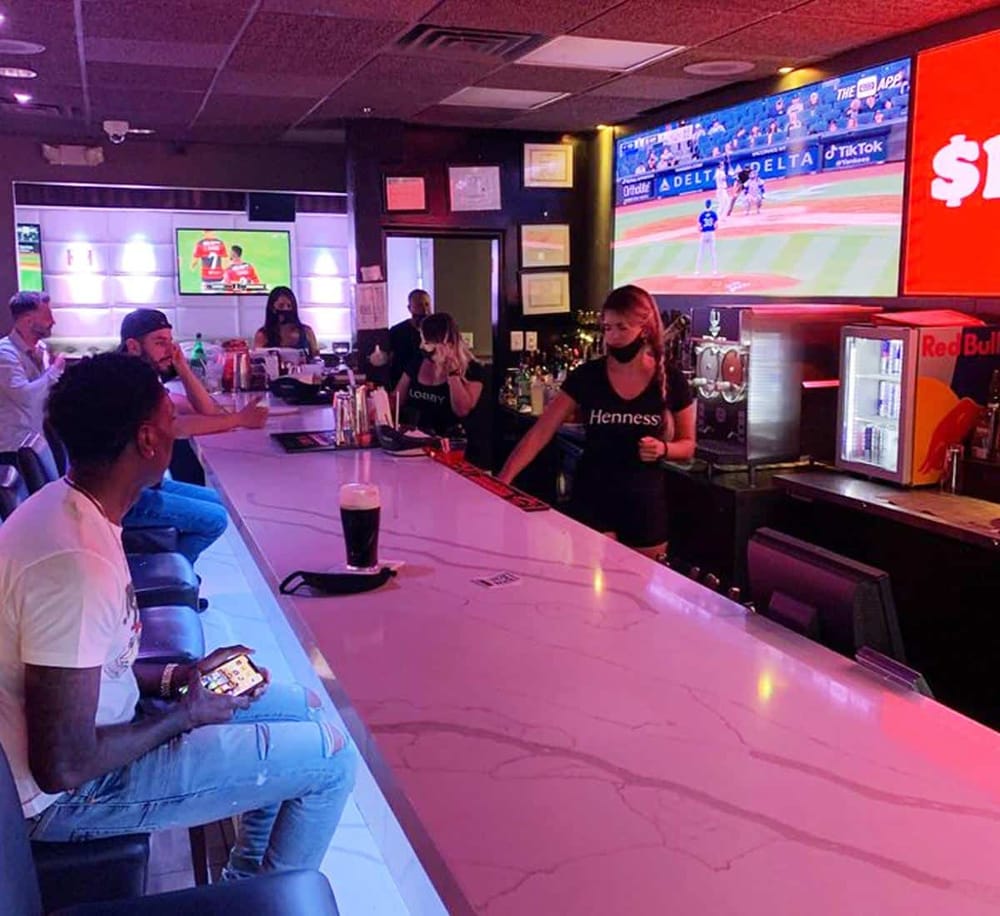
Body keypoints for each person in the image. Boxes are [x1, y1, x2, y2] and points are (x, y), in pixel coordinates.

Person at [0, 352, 356, 878]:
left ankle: (245, 887)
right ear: (147, 440)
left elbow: (94, 668)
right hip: (66, 799)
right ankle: (263, 900)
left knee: (302, 706)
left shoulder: (73, 508)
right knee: (333, 758)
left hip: (100, 734)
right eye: (170, 416)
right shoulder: (75, 564)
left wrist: (179, 677)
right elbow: (63, 766)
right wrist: (183, 715)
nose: (177, 428)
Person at [499, 286, 695, 559]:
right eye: (607, 328)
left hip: (643, 503)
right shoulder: (588, 376)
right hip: (592, 496)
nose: (612, 337)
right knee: (589, 591)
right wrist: (503, 480)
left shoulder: (671, 380)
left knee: (639, 593)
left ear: (645, 329)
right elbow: (541, 432)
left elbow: (688, 446)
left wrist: (663, 449)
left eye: (621, 328)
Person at [120, 309, 267, 564]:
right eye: (159, 342)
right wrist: (240, 419)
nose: (169, 348)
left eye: (170, 340)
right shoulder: (129, 381)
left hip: (141, 483)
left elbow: (204, 410)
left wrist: (182, 367)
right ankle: (170, 577)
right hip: (124, 496)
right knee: (215, 519)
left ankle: (169, 571)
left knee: (222, 503)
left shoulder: (143, 375)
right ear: (133, 346)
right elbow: (175, 427)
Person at [394, 313, 486, 461]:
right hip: (416, 445)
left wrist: (453, 374)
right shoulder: (418, 362)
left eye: (426, 342)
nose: (421, 346)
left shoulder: (472, 370)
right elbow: (397, 399)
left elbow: (462, 410)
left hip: (452, 448)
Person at [0, 291, 65, 460]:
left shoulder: (41, 349)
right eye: (47, 316)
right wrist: (55, 370)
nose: (53, 321)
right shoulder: (5, 354)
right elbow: (26, 397)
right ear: (29, 321)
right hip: (13, 449)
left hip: (39, 445)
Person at [253, 286, 319, 358]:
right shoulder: (263, 335)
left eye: (289, 306)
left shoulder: (307, 332)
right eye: (281, 306)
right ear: (272, 308)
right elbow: (257, 361)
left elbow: (316, 359)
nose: (285, 309)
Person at [388, 289, 432, 389]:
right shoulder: (397, 331)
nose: (425, 310)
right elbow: (389, 358)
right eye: (419, 305)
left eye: (427, 304)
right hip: (402, 385)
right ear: (410, 308)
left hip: (428, 385)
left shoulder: (436, 331)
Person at [694, 199, 719, 276]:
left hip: (704, 234)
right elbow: (716, 225)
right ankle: (714, 270)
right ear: (711, 205)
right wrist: (712, 229)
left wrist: (702, 230)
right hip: (711, 233)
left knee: (701, 252)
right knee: (713, 252)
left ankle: (697, 271)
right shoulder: (714, 214)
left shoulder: (701, 214)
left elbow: (699, 227)